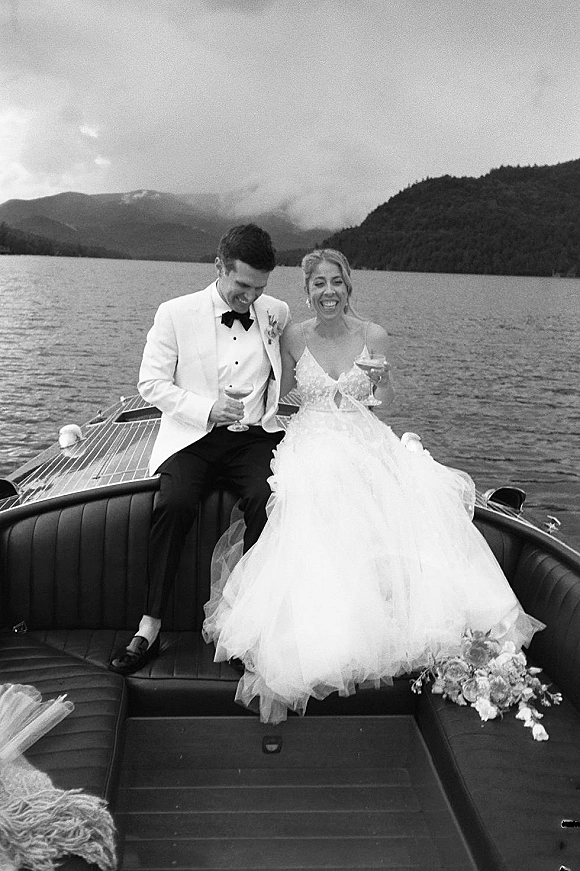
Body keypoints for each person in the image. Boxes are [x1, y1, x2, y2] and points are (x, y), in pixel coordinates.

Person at [202, 248, 543, 724]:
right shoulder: (293, 335)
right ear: (307, 291)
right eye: (318, 283)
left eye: (336, 282)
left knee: (395, 494)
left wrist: (383, 382)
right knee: (319, 488)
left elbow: (384, 399)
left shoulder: (373, 334)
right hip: (310, 436)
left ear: (348, 287)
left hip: (364, 434)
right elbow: (278, 395)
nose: (328, 292)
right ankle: (325, 633)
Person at [109, 224, 291, 675]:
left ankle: (246, 627)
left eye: (260, 288)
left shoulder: (276, 312)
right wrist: (208, 409)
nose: (251, 297)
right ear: (219, 267)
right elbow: (150, 383)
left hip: (253, 437)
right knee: (174, 503)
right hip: (193, 436)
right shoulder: (174, 313)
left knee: (269, 499)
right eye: (243, 285)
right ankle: (149, 626)